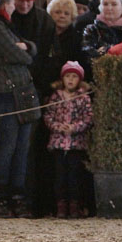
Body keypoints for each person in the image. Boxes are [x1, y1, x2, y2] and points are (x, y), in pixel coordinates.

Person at [0, 0, 37, 217]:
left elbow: (28, 48)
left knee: (21, 146)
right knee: (9, 145)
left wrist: (27, 48)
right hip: (5, 91)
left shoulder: (6, 26)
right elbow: (22, 55)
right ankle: (1, 195)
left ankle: (17, 193)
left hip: (20, 90)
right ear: (5, 4)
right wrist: (26, 51)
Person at [43, 61, 93, 218]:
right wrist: (58, 127)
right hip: (58, 143)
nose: (70, 80)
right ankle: (61, 207)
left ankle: (74, 206)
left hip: (76, 144)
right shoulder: (56, 97)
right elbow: (48, 115)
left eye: (74, 76)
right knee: (59, 177)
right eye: (67, 76)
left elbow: (88, 118)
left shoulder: (83, 98)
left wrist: (74, 127)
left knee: (74, 177)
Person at [10, 0, 55, 95]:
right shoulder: (5, 19)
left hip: (37, 82)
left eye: (28, 1)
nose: (24, 5)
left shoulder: (45, 20)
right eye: (20, 0)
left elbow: (49, 56)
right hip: (9, 81)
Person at [43, 0, 86, 85]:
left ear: (72, 17)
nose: (62, 16)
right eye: (58, 12)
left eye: (66, 13)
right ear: (50, 14)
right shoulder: (43, 35)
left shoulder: (77, 39)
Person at [82, 0, 122, 64]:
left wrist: (104, 50)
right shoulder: (92, 29)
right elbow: (87, 54)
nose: (109, 8)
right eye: (105, 4)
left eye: (114, 4)